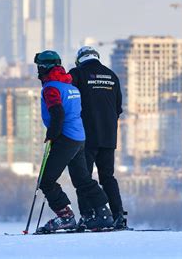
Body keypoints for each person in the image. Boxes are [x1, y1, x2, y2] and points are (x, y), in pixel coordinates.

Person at [34, 50, 113, 233]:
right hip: (79, 138)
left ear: (43, 68)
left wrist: (52, 135)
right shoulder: (71, 87)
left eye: (39, 67)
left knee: (46, 180)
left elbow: (58, 113)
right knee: (82, 179)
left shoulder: (51, 88)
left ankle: (66, 217)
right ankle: (104, 214)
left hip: (65, 138)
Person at [68, 46, 126, 229]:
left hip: (85, 136)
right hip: (109, 137)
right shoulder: (111, 75)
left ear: (79, 60)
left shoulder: (77, 74)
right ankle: (118, 216)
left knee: (83, 178)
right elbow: (118, 109)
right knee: (108, 177)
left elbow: (69, 102)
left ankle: (88, 216)